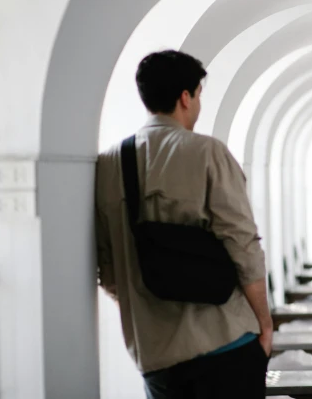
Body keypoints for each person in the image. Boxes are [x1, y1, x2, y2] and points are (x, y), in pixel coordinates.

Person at [95, 50, 273, 398]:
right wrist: (264, 323)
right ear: (186, 97)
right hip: (225, 343)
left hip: (157, 358)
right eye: (199, 95)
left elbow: (108, 268)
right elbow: (243, 245)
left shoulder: (109, 164)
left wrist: (145, 311)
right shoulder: (207, 152)